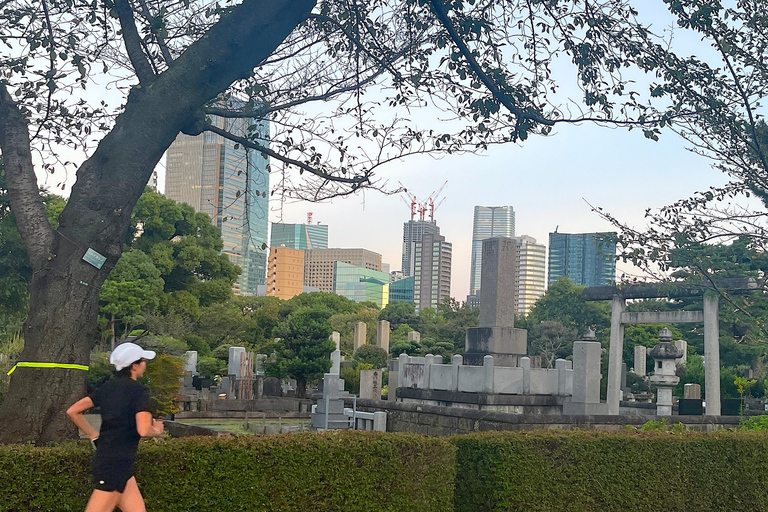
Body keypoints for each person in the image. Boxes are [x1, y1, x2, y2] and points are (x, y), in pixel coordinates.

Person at [67, 342, 165, 512]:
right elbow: (143, 429)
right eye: (143, 361)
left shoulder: (106, 388)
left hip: (113, 460)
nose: (145, 365)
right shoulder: (139, 391)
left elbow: (73, 411)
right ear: (134, 366)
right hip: (115, 464)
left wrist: (92, 434)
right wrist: (157, 429)